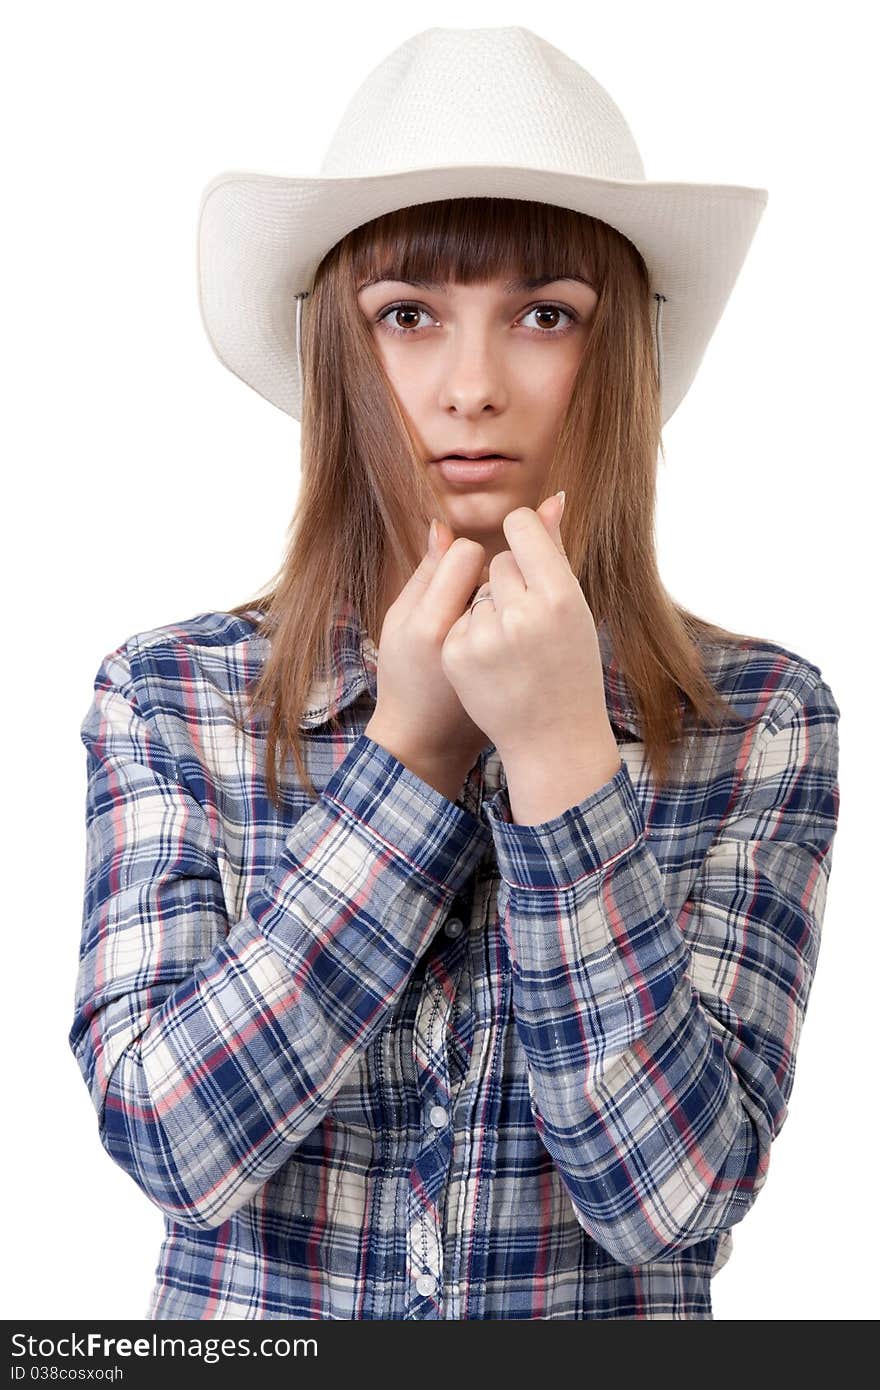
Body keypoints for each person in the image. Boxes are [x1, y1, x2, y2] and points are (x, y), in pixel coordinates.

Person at [69, 26, 841, 1321]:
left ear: (621, 360)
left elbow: (677, 1200)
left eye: (545, 314)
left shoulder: (756, 719)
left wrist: (562, 765)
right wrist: (410, 762)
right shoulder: (174, 697)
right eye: (409, 315)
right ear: (337, 352)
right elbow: (169, 1141)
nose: (471, 386)